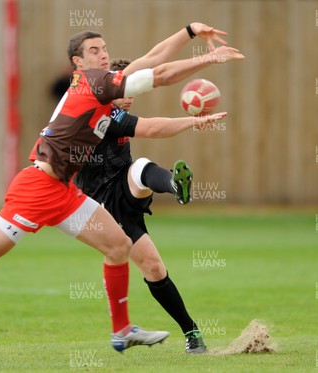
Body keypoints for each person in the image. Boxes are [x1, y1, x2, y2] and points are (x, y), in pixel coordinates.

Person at [0, 24, 244, 353]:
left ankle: (121, 331)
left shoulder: (106, 86)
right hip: (37, 188)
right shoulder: (94, 83)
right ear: (78, 62)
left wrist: (189, 32)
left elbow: (152, 60)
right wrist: (207, 60)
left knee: (119, 246)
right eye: (94, 50)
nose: (103, 54)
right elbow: (158, 75)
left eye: (105, 48)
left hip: (65, 193)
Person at [74, 57, 227, 353]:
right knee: (153, 268)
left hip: (125, 186)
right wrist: (195, 121)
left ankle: (173, 185)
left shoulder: (116, 111)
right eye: (124, 91)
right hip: (101, 205)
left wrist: (197, 46)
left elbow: (155, 60)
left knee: (140, 167)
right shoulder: (103, 115)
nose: (129, 98)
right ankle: (191, 332)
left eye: (132, 92)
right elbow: (155, 128)